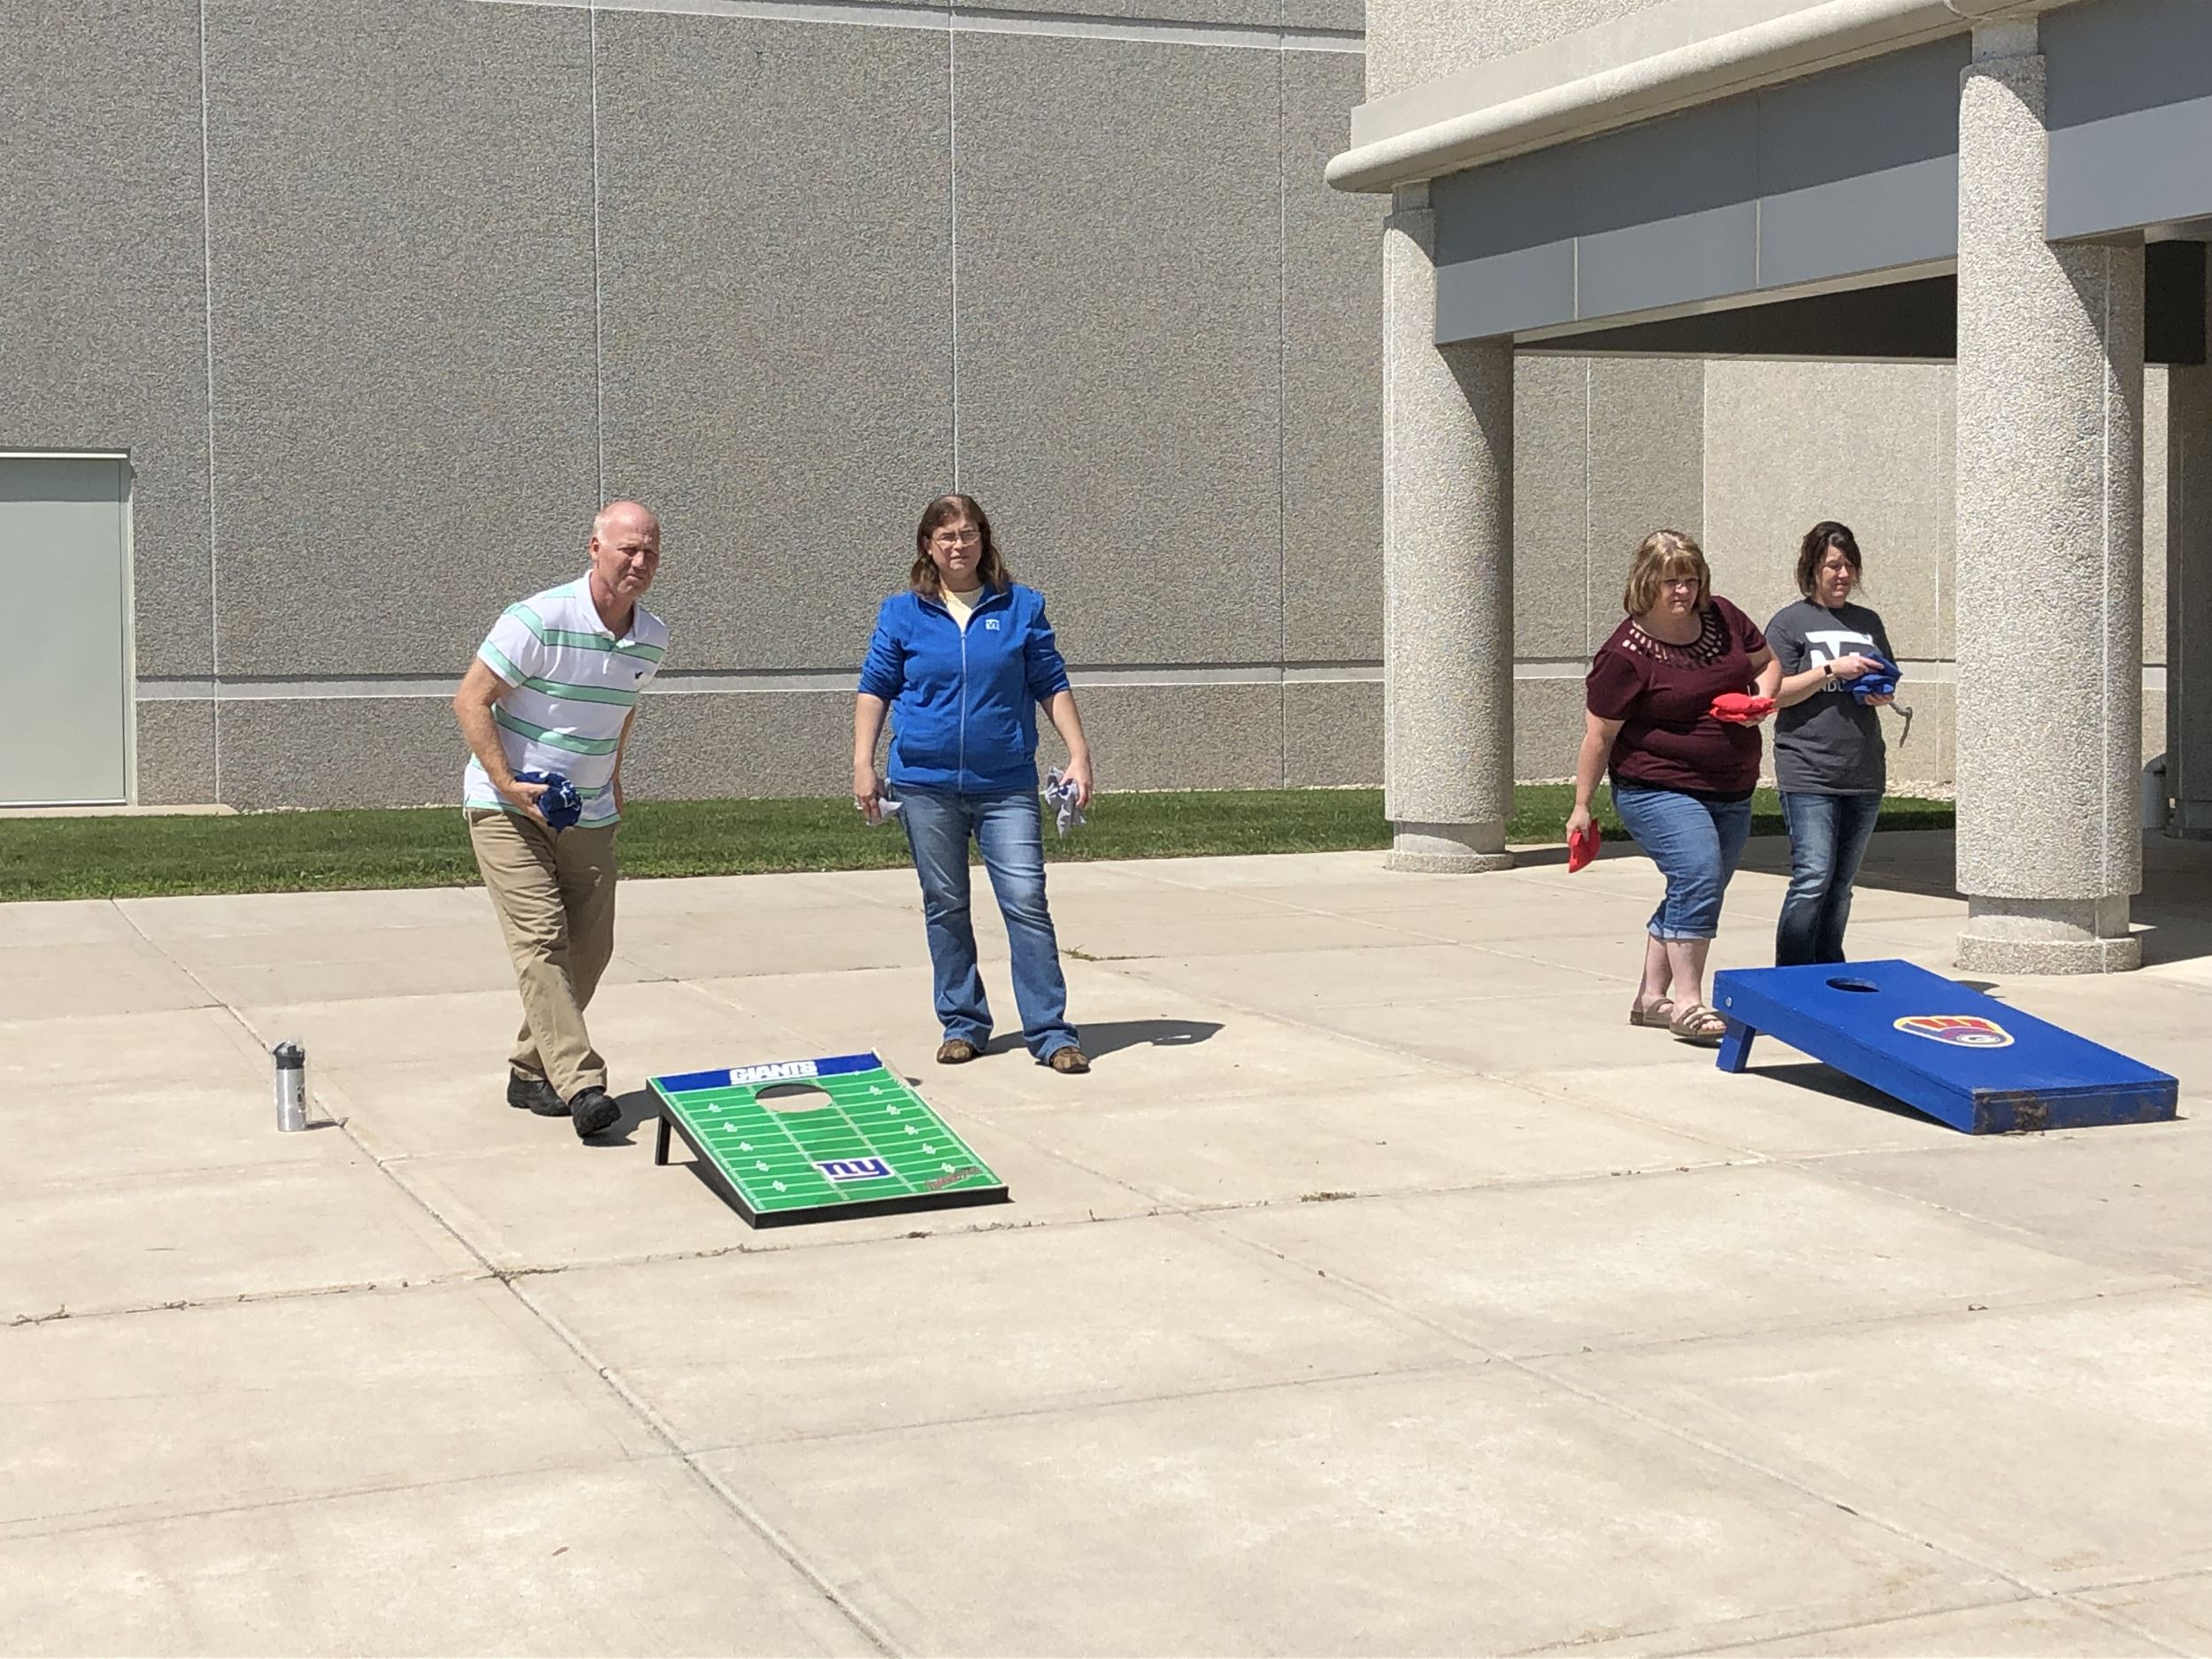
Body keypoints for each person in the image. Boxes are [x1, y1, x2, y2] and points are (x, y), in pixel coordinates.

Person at [854, 494, 1094, 1073]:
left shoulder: (1021, 608)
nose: (957, 545)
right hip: (924, 784)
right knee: (945, 904)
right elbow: (875, 687)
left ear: (984, 539)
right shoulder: (902, 613)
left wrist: (1079, 753)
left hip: (1005, 784)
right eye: (946, 537)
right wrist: (863, 760)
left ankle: (1051, 1031)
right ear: (927, 547)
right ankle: (962, 1022)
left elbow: (1050, 683)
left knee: (1026, 901)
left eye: (967, 534)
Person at [453, 501, 668, 1137]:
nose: (639, 561)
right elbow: (470, 698)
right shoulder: (539, 619)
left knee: (590, 949)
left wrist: (616, 776)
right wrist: (505, 782)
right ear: (594, 547)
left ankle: (528, 1066)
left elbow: (622, 707)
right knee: (542, 940)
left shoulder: (651, 636)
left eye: (651, 551)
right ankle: (580, 1082)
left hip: (590, 812)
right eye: (628, 548)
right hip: (507, 809)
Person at [1568, 529, 1780, 1044]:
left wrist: (1761, 704)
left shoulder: (1724, 617)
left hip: (1730, 785)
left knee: (1698, 887)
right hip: (1655, 785)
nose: (1682, 592)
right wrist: (1581, 806)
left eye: (1690, 580)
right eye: (1670, 582)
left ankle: (1648, 999)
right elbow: (1599, 735)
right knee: (1699, 874)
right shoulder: (1625, 655)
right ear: (1647, 583)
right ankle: (1688, 1002)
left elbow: (1767, 663)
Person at [1766, 521, 1897, 965]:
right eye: (1832, 566)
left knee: (1841, 884)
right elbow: (1774, 692)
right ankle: (1791, 976)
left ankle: (1827, 968)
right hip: (1807, 767)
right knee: (1812, 877)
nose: (1842, 575)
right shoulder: (1789, 623)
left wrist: (1880, 691)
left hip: (1861, 768)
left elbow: (1885, 677)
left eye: (1849, 566)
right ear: (1812, 570)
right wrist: (1831, 671)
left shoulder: (1868, 623)